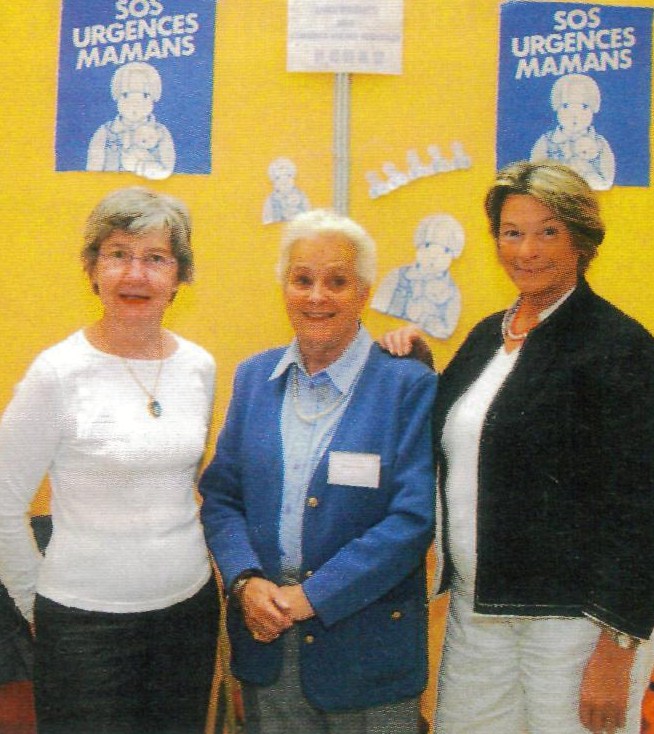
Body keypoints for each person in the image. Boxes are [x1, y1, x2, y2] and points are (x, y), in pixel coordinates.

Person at [382, 160, 654, 734]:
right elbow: (470, 439)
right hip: (477, 614)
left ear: (581, 239)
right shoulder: (488, 335)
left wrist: (618, 649)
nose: (527, 250)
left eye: (547, 231)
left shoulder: (619, 345)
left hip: (576, 627)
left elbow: (640, 508)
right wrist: (418, 372)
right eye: (512, 232)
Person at [199, 208, 437, 733]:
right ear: (284, 286)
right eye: (302, 279)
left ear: (365, 291)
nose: (316, 297)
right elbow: (222, 496)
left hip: (368, 650)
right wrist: (244, 580)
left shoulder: (406, 386)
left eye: (337, 281)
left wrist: (313, 596)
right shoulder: (254, 377)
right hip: (266, 636)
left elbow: (412, 519)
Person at [0, 187, 219, 734]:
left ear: (179, 276)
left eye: (156, 258)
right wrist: (35, 603)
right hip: (83, 631)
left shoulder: (199, 368)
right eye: (118, 254)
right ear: (93, 269)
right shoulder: (58, 373)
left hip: (187, 615)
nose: (135, 274)